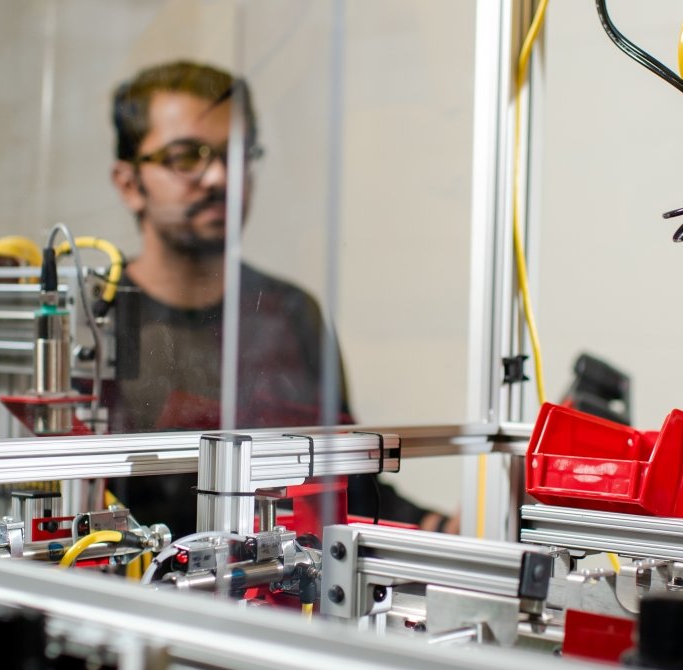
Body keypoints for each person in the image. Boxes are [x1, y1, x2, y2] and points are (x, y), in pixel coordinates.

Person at [103, 60, 454, 535]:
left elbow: (344, 480)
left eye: (238, 153)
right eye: (186, 156)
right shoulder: (95, 320)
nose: (218, 178)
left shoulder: (289, 313)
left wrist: (439, 527)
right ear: (129, 184)